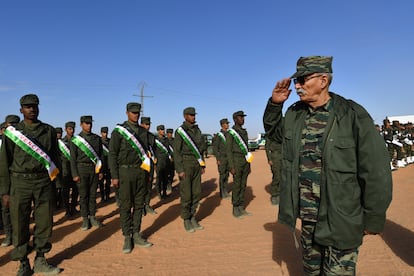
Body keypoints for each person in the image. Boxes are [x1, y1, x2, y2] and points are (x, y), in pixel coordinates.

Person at [263, 56, 392, 275]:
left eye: (303, 80)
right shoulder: (295, 114)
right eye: (297, 81)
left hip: (342, 218)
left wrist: (374, 217)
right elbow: (274, 135)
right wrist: (275, 105)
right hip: (309, 219)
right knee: (311, 272)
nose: (297, 86)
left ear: (323, 81)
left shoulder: (351, 114)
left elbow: (376, 169)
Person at [0, 94, 62, 275]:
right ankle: (23, 263)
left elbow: (55, 157)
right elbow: (4, 162)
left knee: (44, 221)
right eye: (27, 106)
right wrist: (4, 191)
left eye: (34, 106)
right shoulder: (13, 133)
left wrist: (57, 182)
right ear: (21, 110)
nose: (32, 109)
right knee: (20, 222)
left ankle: (41, 259)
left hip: (43, 181)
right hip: (20, 182)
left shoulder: (48, 130)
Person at [108, 102, 153, 254]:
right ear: (127, 112)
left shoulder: (143, 131)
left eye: (138, 112)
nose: (136, 115)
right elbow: (112, 154)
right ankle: (127, 236)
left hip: (140, 172)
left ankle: (137, 233)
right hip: (124, 172)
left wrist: (148, 174)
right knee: (126, 206)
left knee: (139, 205)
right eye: (133, 112)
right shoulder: (119, 131)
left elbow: (147, 153)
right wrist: (114, 176)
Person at [174, 107, 206, 233]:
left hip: (196, 164)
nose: (193, 117)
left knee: (197, 192)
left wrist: (202, 164)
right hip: (186, 164)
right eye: (191, 115)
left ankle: (193, 216)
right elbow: (176, 152)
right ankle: (186, 219)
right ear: (185, 116)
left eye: (194, 115)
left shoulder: (197, 130)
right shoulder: (180, 131)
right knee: (186, 193)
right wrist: (180, 169)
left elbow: (201, 149)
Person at [70, 115, 103, 231]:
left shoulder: (96, 138)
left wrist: (100, 171)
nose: (88, 125)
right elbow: (73, 159)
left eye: (90, 123)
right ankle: (85, 218)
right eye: (86, 123)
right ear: (81, 124)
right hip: (81, 169)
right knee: (83, 195)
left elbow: (100, 156)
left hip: (93, 169)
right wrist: (75, 174)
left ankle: (93, 217)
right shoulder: (76, 140)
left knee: (93, 195)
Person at [226, 111, 253, 218]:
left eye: (243, 117)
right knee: (237, 185)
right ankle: (235, 208)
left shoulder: (244, 132)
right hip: (236, 161)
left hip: (245, 161)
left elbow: (247, 148)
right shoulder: (231, 133)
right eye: (240, 117)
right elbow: (228, 151)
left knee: (243, 185)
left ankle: (241, 207)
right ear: (235, 119)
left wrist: (249, 164)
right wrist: (231, 166)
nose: (243, 119)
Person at [0, 115, 20, 248]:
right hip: (3, 179)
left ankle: (18, 234)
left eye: (15, 124)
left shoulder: (22, 141)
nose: (12, 127)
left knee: (19, 208)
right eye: (9, 124)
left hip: (18, 179)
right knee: (5, 208)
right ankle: (8, 235)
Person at [59, 121, 79, 218]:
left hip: (75, 171)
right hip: (65, 171)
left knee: (76, 190)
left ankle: (73, 207)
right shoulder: (61, 142)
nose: (72, 131)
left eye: (73, 129)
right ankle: (67, 210)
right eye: (70, 129)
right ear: (65, 129)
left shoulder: (77, 141)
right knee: (65, 192)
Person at [140, 117, 157, 215]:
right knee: (141, 186)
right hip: (141, 165)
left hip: (149, 164)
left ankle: (147, 204)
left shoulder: (151, 136)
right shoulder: (136, 136)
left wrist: (155, 163)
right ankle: (140, 206)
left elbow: (154, 150)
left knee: (149, 185)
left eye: (149, 124)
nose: (148, 126)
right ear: (141, 124)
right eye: (145, 124)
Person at [212, 118, 231, 199]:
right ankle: (222, 192)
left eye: (228, 123)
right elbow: (215, 148)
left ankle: (225, 191)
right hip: (222, 158)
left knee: (227, 175)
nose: (228, 125)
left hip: (228, 158)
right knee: (222, 175)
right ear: (222, 125)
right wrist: (218, 159)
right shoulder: (218, 135)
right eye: (226, 123)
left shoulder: (229, 134)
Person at [155, 125, 172, 199]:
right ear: (158, 131)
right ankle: (159, 193)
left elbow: (169, 150)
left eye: (163, 129)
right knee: (159, 179)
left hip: (166, 161)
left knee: (165, 178)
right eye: (161, 130)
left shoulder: (166, 140)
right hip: (159, 162)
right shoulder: (155, 140)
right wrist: (155, 163)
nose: (163, 131)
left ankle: (164, 193)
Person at [264, 136, 281, 206]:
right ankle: (274, 195)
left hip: (282, 156)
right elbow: (267, 147)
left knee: (282, 177)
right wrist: (269, 159)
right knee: (276, 177)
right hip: (275, 157)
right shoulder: (271, 135)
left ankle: (280, 194)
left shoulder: (281, 134)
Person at [99, 126, 111, 202]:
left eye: (106, 132)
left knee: (108, 182)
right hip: (101, 165)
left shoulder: (110, 141)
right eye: (103, 132)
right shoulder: (99, 141)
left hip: (109, 165)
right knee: (101, 182)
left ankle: (107, 196)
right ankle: (102, 197)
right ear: (101, 133)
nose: (105, 134)